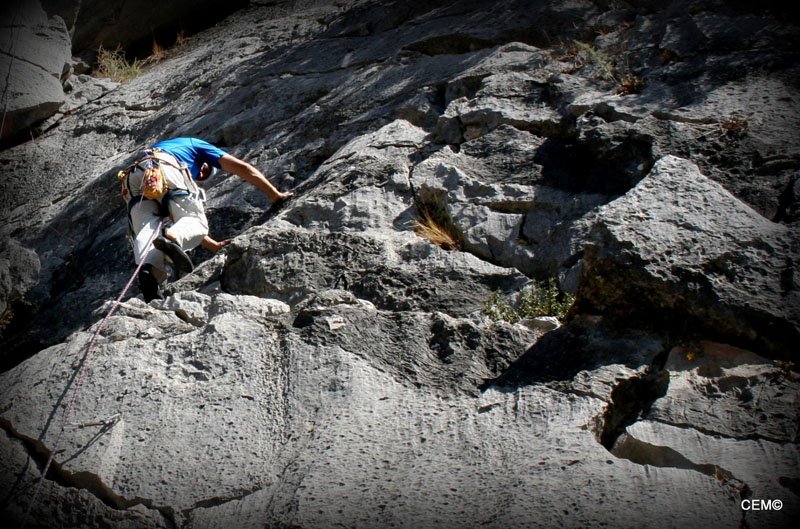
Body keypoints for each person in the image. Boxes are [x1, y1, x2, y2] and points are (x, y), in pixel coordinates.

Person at [118, 137, 292, 302]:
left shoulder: (170, 145)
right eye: (204, 171)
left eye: (201, 177)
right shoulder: (197, 144)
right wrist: (274, 194)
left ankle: (149, 273)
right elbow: (243, 168)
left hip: (132, 178)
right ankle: (170, 243)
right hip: (163, 166)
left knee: (147, 231)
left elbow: (177, 217)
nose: (200, 174)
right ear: (205, 164)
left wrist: (213, 246)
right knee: (196, 219)